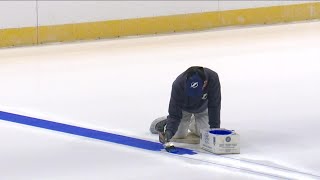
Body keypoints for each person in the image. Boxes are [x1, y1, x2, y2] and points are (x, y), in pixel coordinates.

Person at [150, 66, 221, 144]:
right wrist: (169, 131)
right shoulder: (178, 84)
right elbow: (174, 111)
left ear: (205, 82)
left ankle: (194, 122)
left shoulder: (213, 78)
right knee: (178, 135)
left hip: (202, 109)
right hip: (183, 110)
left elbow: (214, 106)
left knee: (206, 135)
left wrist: (215, 129)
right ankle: (166, 122)